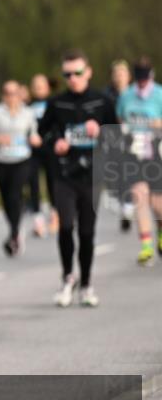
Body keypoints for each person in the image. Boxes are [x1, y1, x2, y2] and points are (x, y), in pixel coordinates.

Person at [38, 50, 118, 307]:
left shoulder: (102, 102)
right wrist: (56, 143)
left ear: (89, 72)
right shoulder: (57, 103)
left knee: (86, 232)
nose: (73, 78)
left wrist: (101, 131)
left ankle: (86, 283)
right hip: (64, 174)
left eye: (78, 73)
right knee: (65, 226)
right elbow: (42, 133)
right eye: (67, 74)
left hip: (92, 175)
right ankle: (66, 279)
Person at [0, 81, 42, 256]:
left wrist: (34, 139)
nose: (11, 97)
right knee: (6, 199)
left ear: (20, 94)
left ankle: (14, 234)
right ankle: (15, 228)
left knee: (15, 194)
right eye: (7, 93)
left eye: (14, 93)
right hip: (0, 161)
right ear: (3, 95)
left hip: (21, 159)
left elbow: (33, 132)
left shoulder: (28, 113)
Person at [116, 56, 162, 266]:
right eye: (139, 79)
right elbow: (120, 119)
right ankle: (146, 247)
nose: (142, 82)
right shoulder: (126, 96)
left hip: (156, 151)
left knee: (157, 204)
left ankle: (160, 233)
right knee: (139, 196)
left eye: (145, 78)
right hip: (134, 152)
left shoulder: (159, 95)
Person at [108, 60, 136, 232]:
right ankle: (123, 203)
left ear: (128, 76)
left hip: (135, 139)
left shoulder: (136, 94)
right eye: (116, 74)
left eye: (122, 73)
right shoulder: (107, 95)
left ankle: (128, 206)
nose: (119, 77)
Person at [26, 73, 56, 237]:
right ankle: (38, 220)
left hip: (50, 149)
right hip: (33, 151)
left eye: (40, 84)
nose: (37, 87)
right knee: (33, 184)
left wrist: (48, 139)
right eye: (35, 84)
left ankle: (54, 214)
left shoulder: (53, 103)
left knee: (52, 182)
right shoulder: (27, 106)